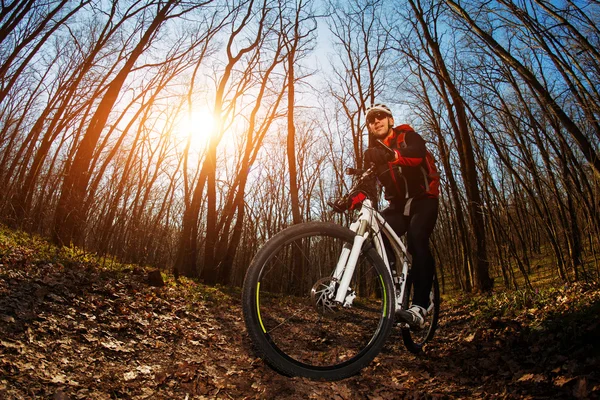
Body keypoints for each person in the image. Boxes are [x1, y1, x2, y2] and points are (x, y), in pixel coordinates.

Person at [363, 103, 439, 329]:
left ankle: (421, 305)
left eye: (380, 117)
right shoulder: (373, 154)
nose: (375, 121)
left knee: (417, 238)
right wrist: (351, 199)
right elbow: (366, 185)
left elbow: (415, 155)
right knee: (376, 234)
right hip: (397, 205)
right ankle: (395, 285)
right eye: (371, 120)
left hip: (424, 199)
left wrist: (390, 154)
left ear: (391, 121)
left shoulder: (409, 137)